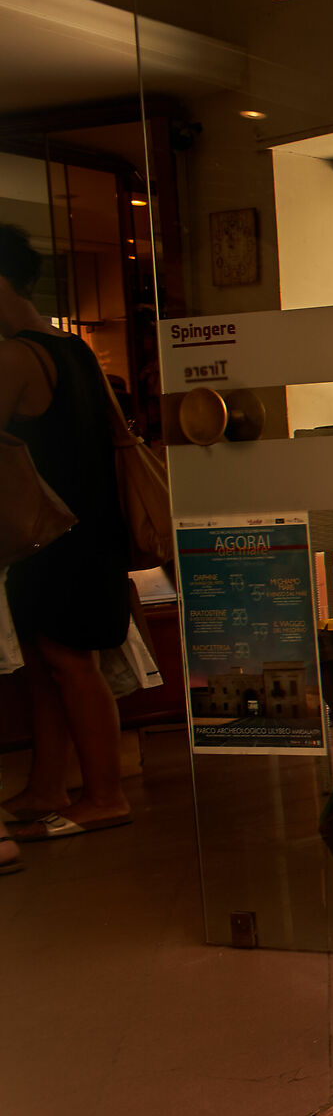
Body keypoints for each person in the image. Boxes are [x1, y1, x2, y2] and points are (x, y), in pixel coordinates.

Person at [0, 223, 134, 860]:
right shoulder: (75, 349)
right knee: (49, 664)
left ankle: (105, 793)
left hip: (49, 533)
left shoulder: (15, 356)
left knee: (66, 662)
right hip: (85, 528)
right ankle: (46, 786)